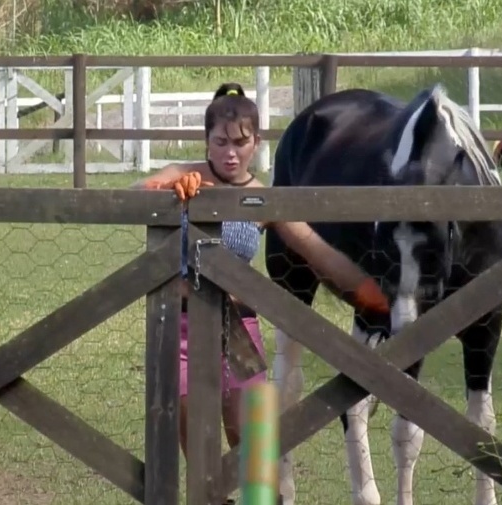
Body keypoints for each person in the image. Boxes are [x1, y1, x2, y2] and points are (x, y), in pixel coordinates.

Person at [132, 83, 389, 503]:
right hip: (178, 328)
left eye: (240, 142)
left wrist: (371, 294)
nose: (229, 153)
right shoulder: (185, 174)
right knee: (194, 440)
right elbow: (131, 196)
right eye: (220, 142)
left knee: (253, 447)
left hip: (238, 330)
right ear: (207, 141)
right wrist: (167, 189)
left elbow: (315, 249)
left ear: (256, 143)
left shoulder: (262, 197)